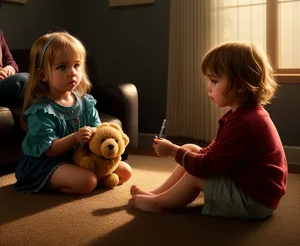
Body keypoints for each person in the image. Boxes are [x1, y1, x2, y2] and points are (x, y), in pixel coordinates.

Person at [130, 42, 287, 220]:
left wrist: (173, 151)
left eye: (214, 81)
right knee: (191, 148)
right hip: (253, 191)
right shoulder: (243, 115)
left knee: (195, 174)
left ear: (241, 85)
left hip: (254, 202)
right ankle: (157, 194)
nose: (208, 87)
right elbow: (213, 153)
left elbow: (206, 167)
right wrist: (183, 151)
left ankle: (159, 204)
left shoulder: (243, 124)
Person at [14, 31, 132, 194]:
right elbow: (50, 149)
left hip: (78, 157)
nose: (72, 72)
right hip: (45, 163)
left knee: (125, 171)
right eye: (62, 67)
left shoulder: (85, 102)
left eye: (76, 65)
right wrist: (75, 137)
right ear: (43, 75)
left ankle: (85, 175)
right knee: (88, 182)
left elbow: (97, 129)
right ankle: (58, 184)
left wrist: (98, 134)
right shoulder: (41, 110)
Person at [0, 30, 29, 107]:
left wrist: (8, 70)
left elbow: (10, 62)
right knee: (22, 80)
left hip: (3, 81)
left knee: (31, 78)